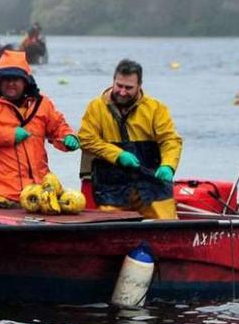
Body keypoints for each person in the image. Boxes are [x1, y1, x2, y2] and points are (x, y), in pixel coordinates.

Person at [0, 50, 80, 206]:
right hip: (1, 194)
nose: (11, 83)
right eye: (6, 79)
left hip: (40, 190)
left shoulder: (42, 103)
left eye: (16, 79)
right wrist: (10, 135)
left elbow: (58, 126)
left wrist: (69, 136)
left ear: (25, 81)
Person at [78, 59, 182, 219]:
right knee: (109, 228)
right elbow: (86, 139)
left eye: (128, 88)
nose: (122, 91)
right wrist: (117, 155)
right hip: (111, 188)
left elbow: (170, 140)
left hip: (152, 184)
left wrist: (168, 165)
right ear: (113, 81)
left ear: (140, 85)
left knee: (166, 224)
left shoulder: (156, 109)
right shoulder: (96, 107)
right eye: (119, 85)